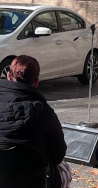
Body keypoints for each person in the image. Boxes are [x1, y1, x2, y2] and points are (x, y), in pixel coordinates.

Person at [0, 55, 71, 188]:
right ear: (36, 82)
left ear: (8, 76)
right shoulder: (45, 113)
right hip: (35, 181)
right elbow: (58, 155)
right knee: (64, 168)